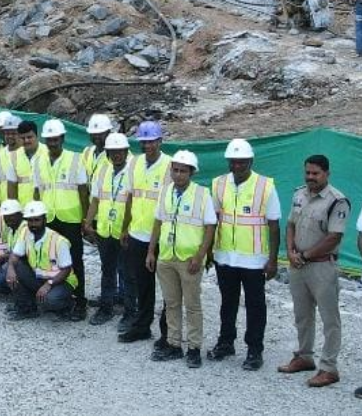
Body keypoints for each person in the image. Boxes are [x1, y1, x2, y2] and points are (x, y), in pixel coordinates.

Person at [208, 138, 280, 371]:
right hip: (225, 256)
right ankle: (226, 341)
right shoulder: (218, 184)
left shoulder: (265, 186)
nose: (237, 167)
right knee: (227, 302)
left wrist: (273, 260)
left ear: (250, 161)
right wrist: (209, 251)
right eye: (233, 162)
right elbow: (213, 221)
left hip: (254, 259)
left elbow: (274, 225)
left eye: (242, 163)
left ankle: (254, 350)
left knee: (255, 305)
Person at [279, 153, 348, 386]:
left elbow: (334, 236)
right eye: (307, 172)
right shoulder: (299, 194)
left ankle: (329, 367)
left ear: (327, 174)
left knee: (330, 318)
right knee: (302, 314)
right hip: (298, 264)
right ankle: (304, 356)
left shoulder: (337, 201)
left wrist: (305, 255)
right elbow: (290, 224)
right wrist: (289, 251)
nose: (310, 177)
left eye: (315, 173)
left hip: (321, 267)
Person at [146, 151, 217, 368]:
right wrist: (151, 251)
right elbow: (158, 222)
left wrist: (200, 255)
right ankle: (173, 344)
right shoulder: (165, 191)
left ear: (191, 172)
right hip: (166, 256)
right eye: (175, 170)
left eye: (183, 171)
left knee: (192, 305)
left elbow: (210, 227)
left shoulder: (202, 194)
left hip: (189, 260)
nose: (178, 175)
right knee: (171, 303)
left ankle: (194, 347)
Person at [118, 120, 172, 344]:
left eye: (151, 142)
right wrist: (125, 227)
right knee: (143, 283)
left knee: (169, 287)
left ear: (159, 141)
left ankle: (169, 332)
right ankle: (142, 325)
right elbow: (130, 196)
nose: (147, 146)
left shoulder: (170, 165)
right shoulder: (135, 164)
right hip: (138, 233)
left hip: (162, 236)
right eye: (143, 142)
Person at [34, 118, 89, 321]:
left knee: (75, 261)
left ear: (63, 139)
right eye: (49, 140)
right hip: (49, 219)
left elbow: (83, 191)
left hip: (70, 219)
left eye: (55, 139)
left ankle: (80, 300)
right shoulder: (39, 161)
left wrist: (85, 218)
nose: (52, 143)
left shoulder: (75, 159)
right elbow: (38, 191)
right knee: (53, 259)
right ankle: (60, 296)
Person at [83, 132, 133, 327]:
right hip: (105, 230)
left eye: (120, 151)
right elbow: (95, 199)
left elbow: (133, 202)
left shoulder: (132, 172)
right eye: (112, 152)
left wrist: (127, 228)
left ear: (126, 152)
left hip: (123, 231)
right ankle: (106, 307)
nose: (116, 155)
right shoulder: (103, 172)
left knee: (128, 273)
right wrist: (88, 221)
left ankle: (130, 311)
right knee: (107, 270)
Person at [6, 201, 76, 320]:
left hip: (61, 281)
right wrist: (10, 269)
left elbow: (66, 270)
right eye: (30, 220)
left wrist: (48, 285)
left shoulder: (59, 241)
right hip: (40, 277)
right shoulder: (25, 233)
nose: (33, 224)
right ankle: (27, 309)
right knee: (16, 267)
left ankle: (69, 304)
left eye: (37, 220)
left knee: (49, 301)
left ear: (45, 220)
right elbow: (15, 255)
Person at [81, 114, 115, 179]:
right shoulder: (87, 152)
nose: (96, 136)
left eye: (100, 133)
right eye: (94, 133)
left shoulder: (119, 152)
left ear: (108, 132)